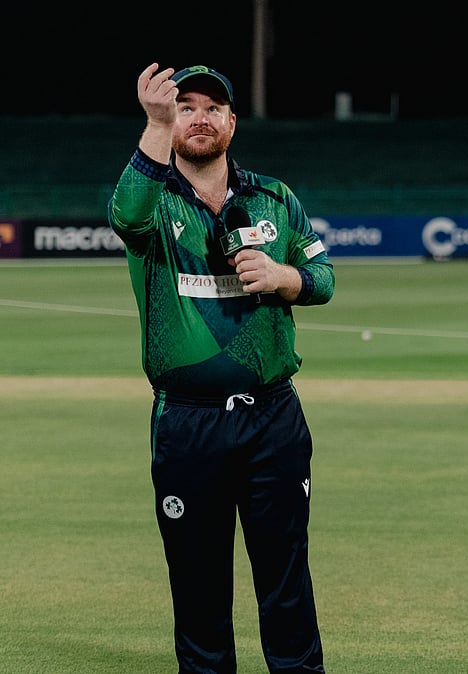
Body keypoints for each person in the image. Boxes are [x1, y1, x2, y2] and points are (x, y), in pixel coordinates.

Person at [107, 64, 333, 673]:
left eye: (213, 107)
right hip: (189, 424)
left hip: (273, 419)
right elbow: (125, 216)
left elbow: (324, 279)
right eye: (185, 107)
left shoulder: (275, 198)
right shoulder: (153, 203)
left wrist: (286, 277)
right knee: (199, 587)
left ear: (232, 121)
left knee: (286, 582)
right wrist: (153, 126)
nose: (199, 117)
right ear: (169, 120)